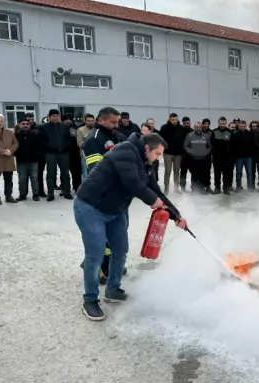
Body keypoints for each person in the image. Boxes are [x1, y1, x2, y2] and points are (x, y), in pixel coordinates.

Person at [74, 132, 188, 321]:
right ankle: (90, 300)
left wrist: (176, 216)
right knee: (95, 254)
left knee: (120, 250)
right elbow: (133, 183)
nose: (158, 158)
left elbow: (155, 190)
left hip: (114, 210)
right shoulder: (124, 151)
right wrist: (153, 201)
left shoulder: (145, 162)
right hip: (90, 207)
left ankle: (113, 290)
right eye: (158, 154)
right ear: (147, 148)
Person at [81, 107, 124, 285]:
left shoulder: (115, 136)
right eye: (112, 122)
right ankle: (96, 267)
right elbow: (96, 171)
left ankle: (110, 264)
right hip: (100, 197)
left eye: (117, 122)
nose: (116, 125)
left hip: (117, 196)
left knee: (117, 235)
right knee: (101, 238)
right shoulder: (94, 139)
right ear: (101, 120)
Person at [37, 109, 73, 201]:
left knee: (65, 173)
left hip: (64, 153)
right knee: (50, 173)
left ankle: (67, 192)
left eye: (57, 116)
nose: (55, 118)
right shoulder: (43, 127)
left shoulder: (64, 126)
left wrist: (65, 147)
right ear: (49, 117)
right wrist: (50, 148)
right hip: (51, 153)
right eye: (53, 116)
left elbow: (69, 139)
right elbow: (42, 141)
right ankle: (50, 194)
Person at [15, 117, 42, 201]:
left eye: (27, 124)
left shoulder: (35, 134)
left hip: (33, 161)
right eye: (23, 124)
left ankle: (35, 194)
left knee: (34, 178)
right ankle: (22, 195)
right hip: (21, 161)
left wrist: (37, 156)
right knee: (22, 179)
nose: (25, 126)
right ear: (19, 125)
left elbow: (39, 147)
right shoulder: (16, 135)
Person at [160, 112, 186, 194]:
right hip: (168, 153)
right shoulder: (164, 128)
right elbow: (161, 140)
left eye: (175, 119)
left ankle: (176, 188)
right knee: (167, 171)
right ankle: (166, 188)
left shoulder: (181, 128)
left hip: (178, 154)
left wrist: (182, 149)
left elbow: (183, 140)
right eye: (172, 120)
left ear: (177, 119)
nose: (174, 121)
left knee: (177, 171)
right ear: (169, 119)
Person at [183, 121, 212, 194]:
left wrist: (206, 152)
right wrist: (191, 152)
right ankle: (194, 189)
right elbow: (185, 145)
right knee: (194, 175)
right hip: (193, 159)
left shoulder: (205, 136)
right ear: (194, 127)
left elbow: (210, 146)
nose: (198, 128)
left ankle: (202, 189)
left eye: (199, 127)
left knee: (203, 175)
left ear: (202, 127)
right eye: (196, 127)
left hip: (203, 159)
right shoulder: (189, 135)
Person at [211, 116, 233, 195]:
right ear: (218, 123)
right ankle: (217, 188)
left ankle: (226, 189)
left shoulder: (229, 132)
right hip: (217, 157)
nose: (222, 125)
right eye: (221, 123)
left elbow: (232, 145)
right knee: (217, 174)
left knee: (226, 174)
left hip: (226, 157)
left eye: (224, 123)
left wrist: (230, 154)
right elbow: (211, 143)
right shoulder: (214, 132)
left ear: (226, 123)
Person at [231, 120, 253, 191]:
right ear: (239, 126)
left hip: (248, 157)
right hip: (239, 157)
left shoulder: (249, 134)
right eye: (241, 126)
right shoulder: (236, 134)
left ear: (246, 126)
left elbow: (253, 145)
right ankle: (238, 187)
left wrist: (251, 153)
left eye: (244, 126)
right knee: (239, 173)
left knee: (249, 172)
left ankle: (250, 186)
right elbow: (233, 146)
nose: (242, 127)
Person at [64, 115, 83, 193]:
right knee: (64, 172)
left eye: (69, 119)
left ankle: (77, 187)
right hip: (64, 153)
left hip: (75, 153)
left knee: (76, 172)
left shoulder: (76, 128)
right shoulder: (61, 128)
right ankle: (65, 188)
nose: (68, 121)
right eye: (66, 119)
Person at [76, 113, 96, 180]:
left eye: (92, 121)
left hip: (96, 154)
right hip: (85, 155)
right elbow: (79, 143)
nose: (91, 122)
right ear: (85, 121)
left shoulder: (96, 130)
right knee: (86, 174)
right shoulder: (80, 130)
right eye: (89, 121)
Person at [178, 116, 192, 192]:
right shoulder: (180, 131)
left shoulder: (193, 131)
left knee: (194, 172)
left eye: (187, 123)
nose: (186, 124)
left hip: (192, 156)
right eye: (184, 123)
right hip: (183, 155)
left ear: (190, 122)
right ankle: (183, 187)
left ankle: (194, 187)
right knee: (183, 172)